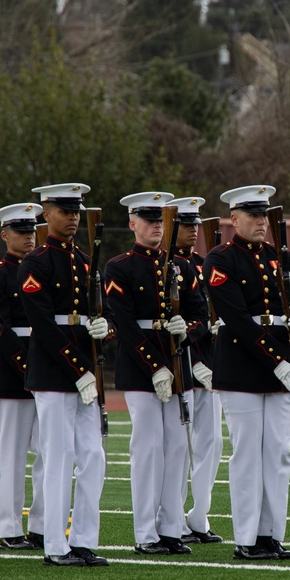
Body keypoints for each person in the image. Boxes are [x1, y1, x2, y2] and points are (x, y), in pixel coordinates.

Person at [203, 184, 290, 561]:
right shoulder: (221, 259)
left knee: (280, 454)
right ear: (233, 219)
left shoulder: (280, 257)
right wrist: (278, 358)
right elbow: (235, 318)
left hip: (280, 365)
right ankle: (247, 537)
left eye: (263, 216)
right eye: (252, 216)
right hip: (242, 366)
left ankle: (271, 534)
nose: (260, 223)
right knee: (249, 454)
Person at [103, 191, 209, 556]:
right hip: (142, 370)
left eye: (159, 222)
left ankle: (170, 528)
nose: (155, 228)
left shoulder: (182, 266)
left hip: (179, 365)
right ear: (133, 224)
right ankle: (145, 532)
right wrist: (156, 368)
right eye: (148, 222)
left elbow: (201, 316)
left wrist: (188, 329)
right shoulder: (119, 267)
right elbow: (126, 324)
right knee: (148, 450)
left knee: (178, 448)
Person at [18, 183, 111, 567]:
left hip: (84, 373)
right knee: (59, 458)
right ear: (46, 213)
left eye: (76, 210)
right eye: (64, 209)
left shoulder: (87, 261)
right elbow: (43, 325)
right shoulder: (35, 263)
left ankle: (84, 539)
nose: (72, 216)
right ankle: (55, 544)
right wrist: (78, 370)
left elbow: (97, 314)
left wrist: (106, 329)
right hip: (55, 373)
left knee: (93, 456)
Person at [0, 203, 45, 551]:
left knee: (48, 454)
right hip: (13, 372)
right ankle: (9, 528)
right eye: (21, 232)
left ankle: (41, 524)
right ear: (5, 235)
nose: (28, 238)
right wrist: (27, 365)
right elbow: (1, 327)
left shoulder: (42, 268)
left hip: (47, 367)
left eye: (31, 232)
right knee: (11, 455)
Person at [171, 197, 225, 545]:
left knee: (213, 444)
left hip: (211, 367)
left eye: (195, 225)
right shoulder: (168, 267)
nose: (193, 231)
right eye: (186, 225)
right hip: (186, 366)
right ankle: (174, 519)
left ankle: (199, 517)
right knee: (180, 446)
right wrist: (195, 363)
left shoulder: (205, 264)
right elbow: (178, 326)